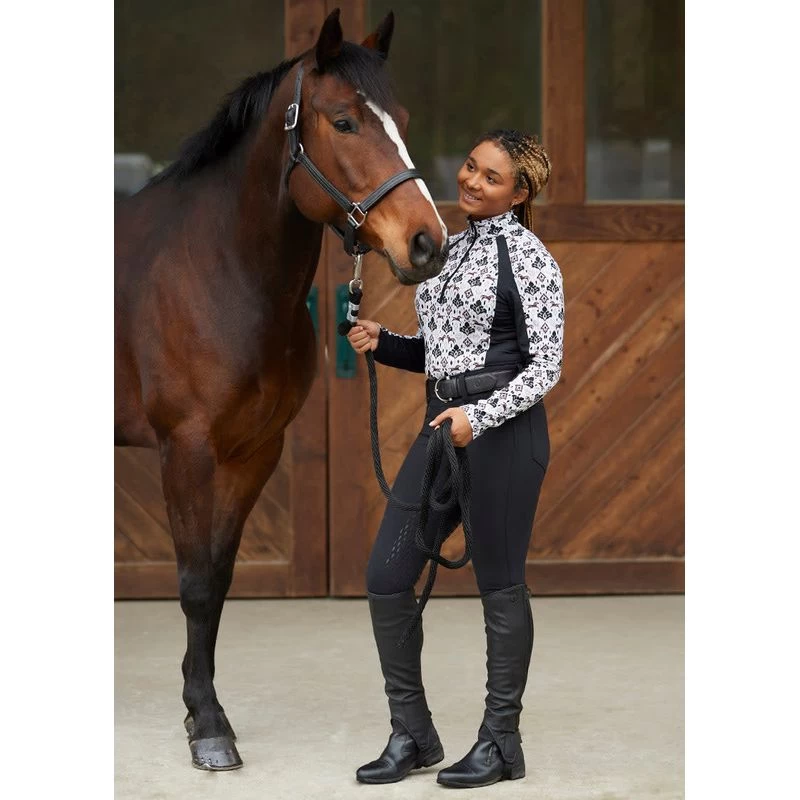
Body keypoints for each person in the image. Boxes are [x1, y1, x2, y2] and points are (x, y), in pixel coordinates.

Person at [348, 129, 564, 789]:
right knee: (387, 577)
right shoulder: (453, 246)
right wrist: (386, 342)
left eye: (491, 177)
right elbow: (443, 352)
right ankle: (413, 734)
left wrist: (479, 417)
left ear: (519, 193)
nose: (471, 180)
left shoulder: (530, 259)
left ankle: (501, 743)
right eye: (471, 166)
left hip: (502, 439)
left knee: (500, 586)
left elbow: (544, 366)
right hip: (441, 429)